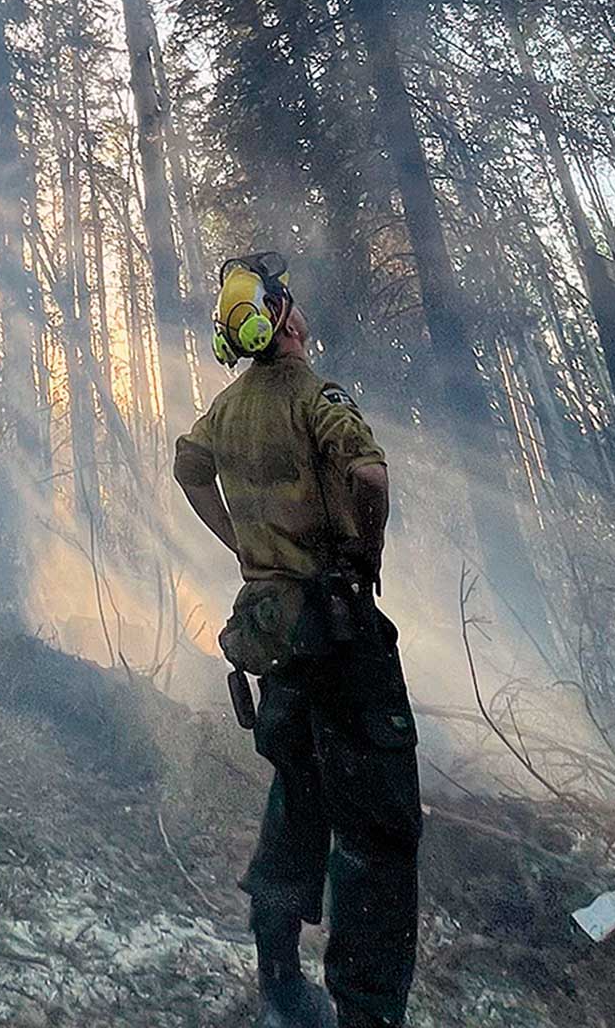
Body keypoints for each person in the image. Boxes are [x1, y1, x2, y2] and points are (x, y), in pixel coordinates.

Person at [174, 255, 422, 1028]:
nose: (303, 314)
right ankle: (367, 1015)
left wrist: (242, 549)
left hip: (275, 638)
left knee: (296, 799)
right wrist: (364, 553)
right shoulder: (318, 397)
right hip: (341, 637)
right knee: (377, 832)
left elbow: (188, 469)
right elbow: (371, 479)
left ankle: (278, 977)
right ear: (278, 317)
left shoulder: (224, 412)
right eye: (294, 305)